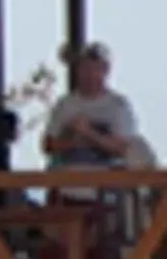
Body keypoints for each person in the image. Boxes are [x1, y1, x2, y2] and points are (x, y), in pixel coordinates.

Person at [41, 42, 151, 170]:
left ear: (106, 70)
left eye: (96, 68)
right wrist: (72, 140)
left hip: (107, 179)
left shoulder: (118, 106)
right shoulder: (65, 105)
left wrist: (90, 133)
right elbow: (48, 145)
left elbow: (123, 148)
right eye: (85, 68)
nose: (90, 74)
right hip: (68, 175)